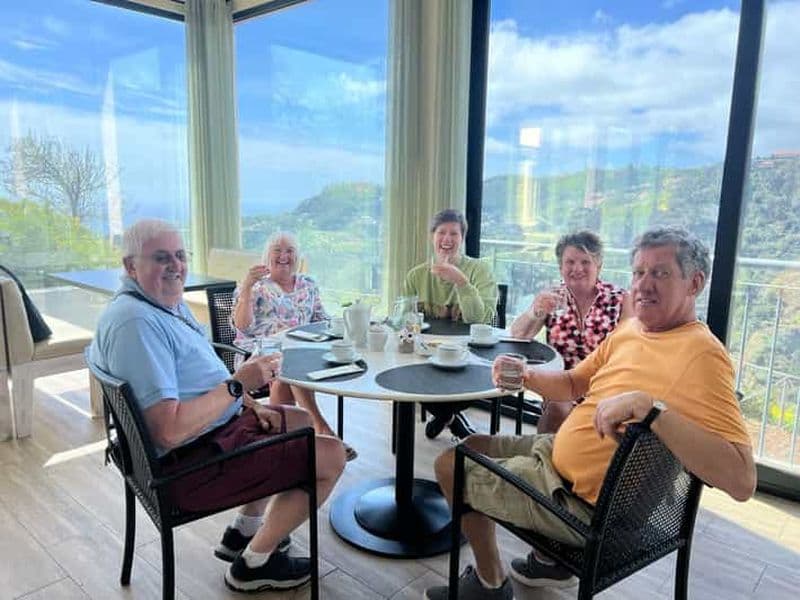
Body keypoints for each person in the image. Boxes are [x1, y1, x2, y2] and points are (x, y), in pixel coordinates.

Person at [423, 226, 756, 600]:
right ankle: (550, 565)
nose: (644, 285)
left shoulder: (702, 355)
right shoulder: (633, 331)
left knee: (450, 465)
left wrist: (652, 409)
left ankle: (489, 584)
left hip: (576, 505)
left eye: (660, 273)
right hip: (555, 457)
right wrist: (528, 376)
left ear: (694, 283)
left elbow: (742, 481)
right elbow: (571, 385)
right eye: (638, 272)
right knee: (473, 442)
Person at [89, 219, 346, 593]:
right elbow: (170, 430)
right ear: (131, 266)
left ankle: (242, 533)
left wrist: (248, 405)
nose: (176, 266)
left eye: (180, 255)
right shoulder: (137, 324)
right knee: (331, 455)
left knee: (299, 419)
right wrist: (240, 383)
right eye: (162, 258)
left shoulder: (162, 304)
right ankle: (254, 564)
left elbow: (202, 376)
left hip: (208, 437)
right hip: (188, 470)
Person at [231, 232, 357, 461]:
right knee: (290, 365)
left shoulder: (308, 284)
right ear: (266, 257)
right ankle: (321, 429)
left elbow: (322, 320)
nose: (283, 256)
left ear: (297, 257)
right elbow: (242, 326)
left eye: (289, 251)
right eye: (277, 250)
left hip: (302, 351)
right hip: (260, 354)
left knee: (286, 373)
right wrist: (248, 287)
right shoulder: (257, 286)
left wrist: (343, 327)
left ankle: (285, 443)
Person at [510, 231, 633, 432]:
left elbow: (630, 348)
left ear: (598, 266)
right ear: (560, 267)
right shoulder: (552, 297)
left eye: (585, 262)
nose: (577, 268)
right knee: (559, 407)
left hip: (605, 385)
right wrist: (536, 311)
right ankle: (542, 456)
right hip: (562, 384)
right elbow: (518, 335)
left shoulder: (619, 299)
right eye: (570, 262)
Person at [403, 208, 498, 440]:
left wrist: (461, 282)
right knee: (407, 378)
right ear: (432, 237)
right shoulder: (416, 276)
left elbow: (481, 320)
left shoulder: (480, 270)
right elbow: (405, 320)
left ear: (462, 238)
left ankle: (444, 415)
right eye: (441, 232)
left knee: (477, 382)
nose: (447, 239)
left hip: (470, 354)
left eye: (454, 234)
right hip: (427, 353)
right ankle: (451, 419)